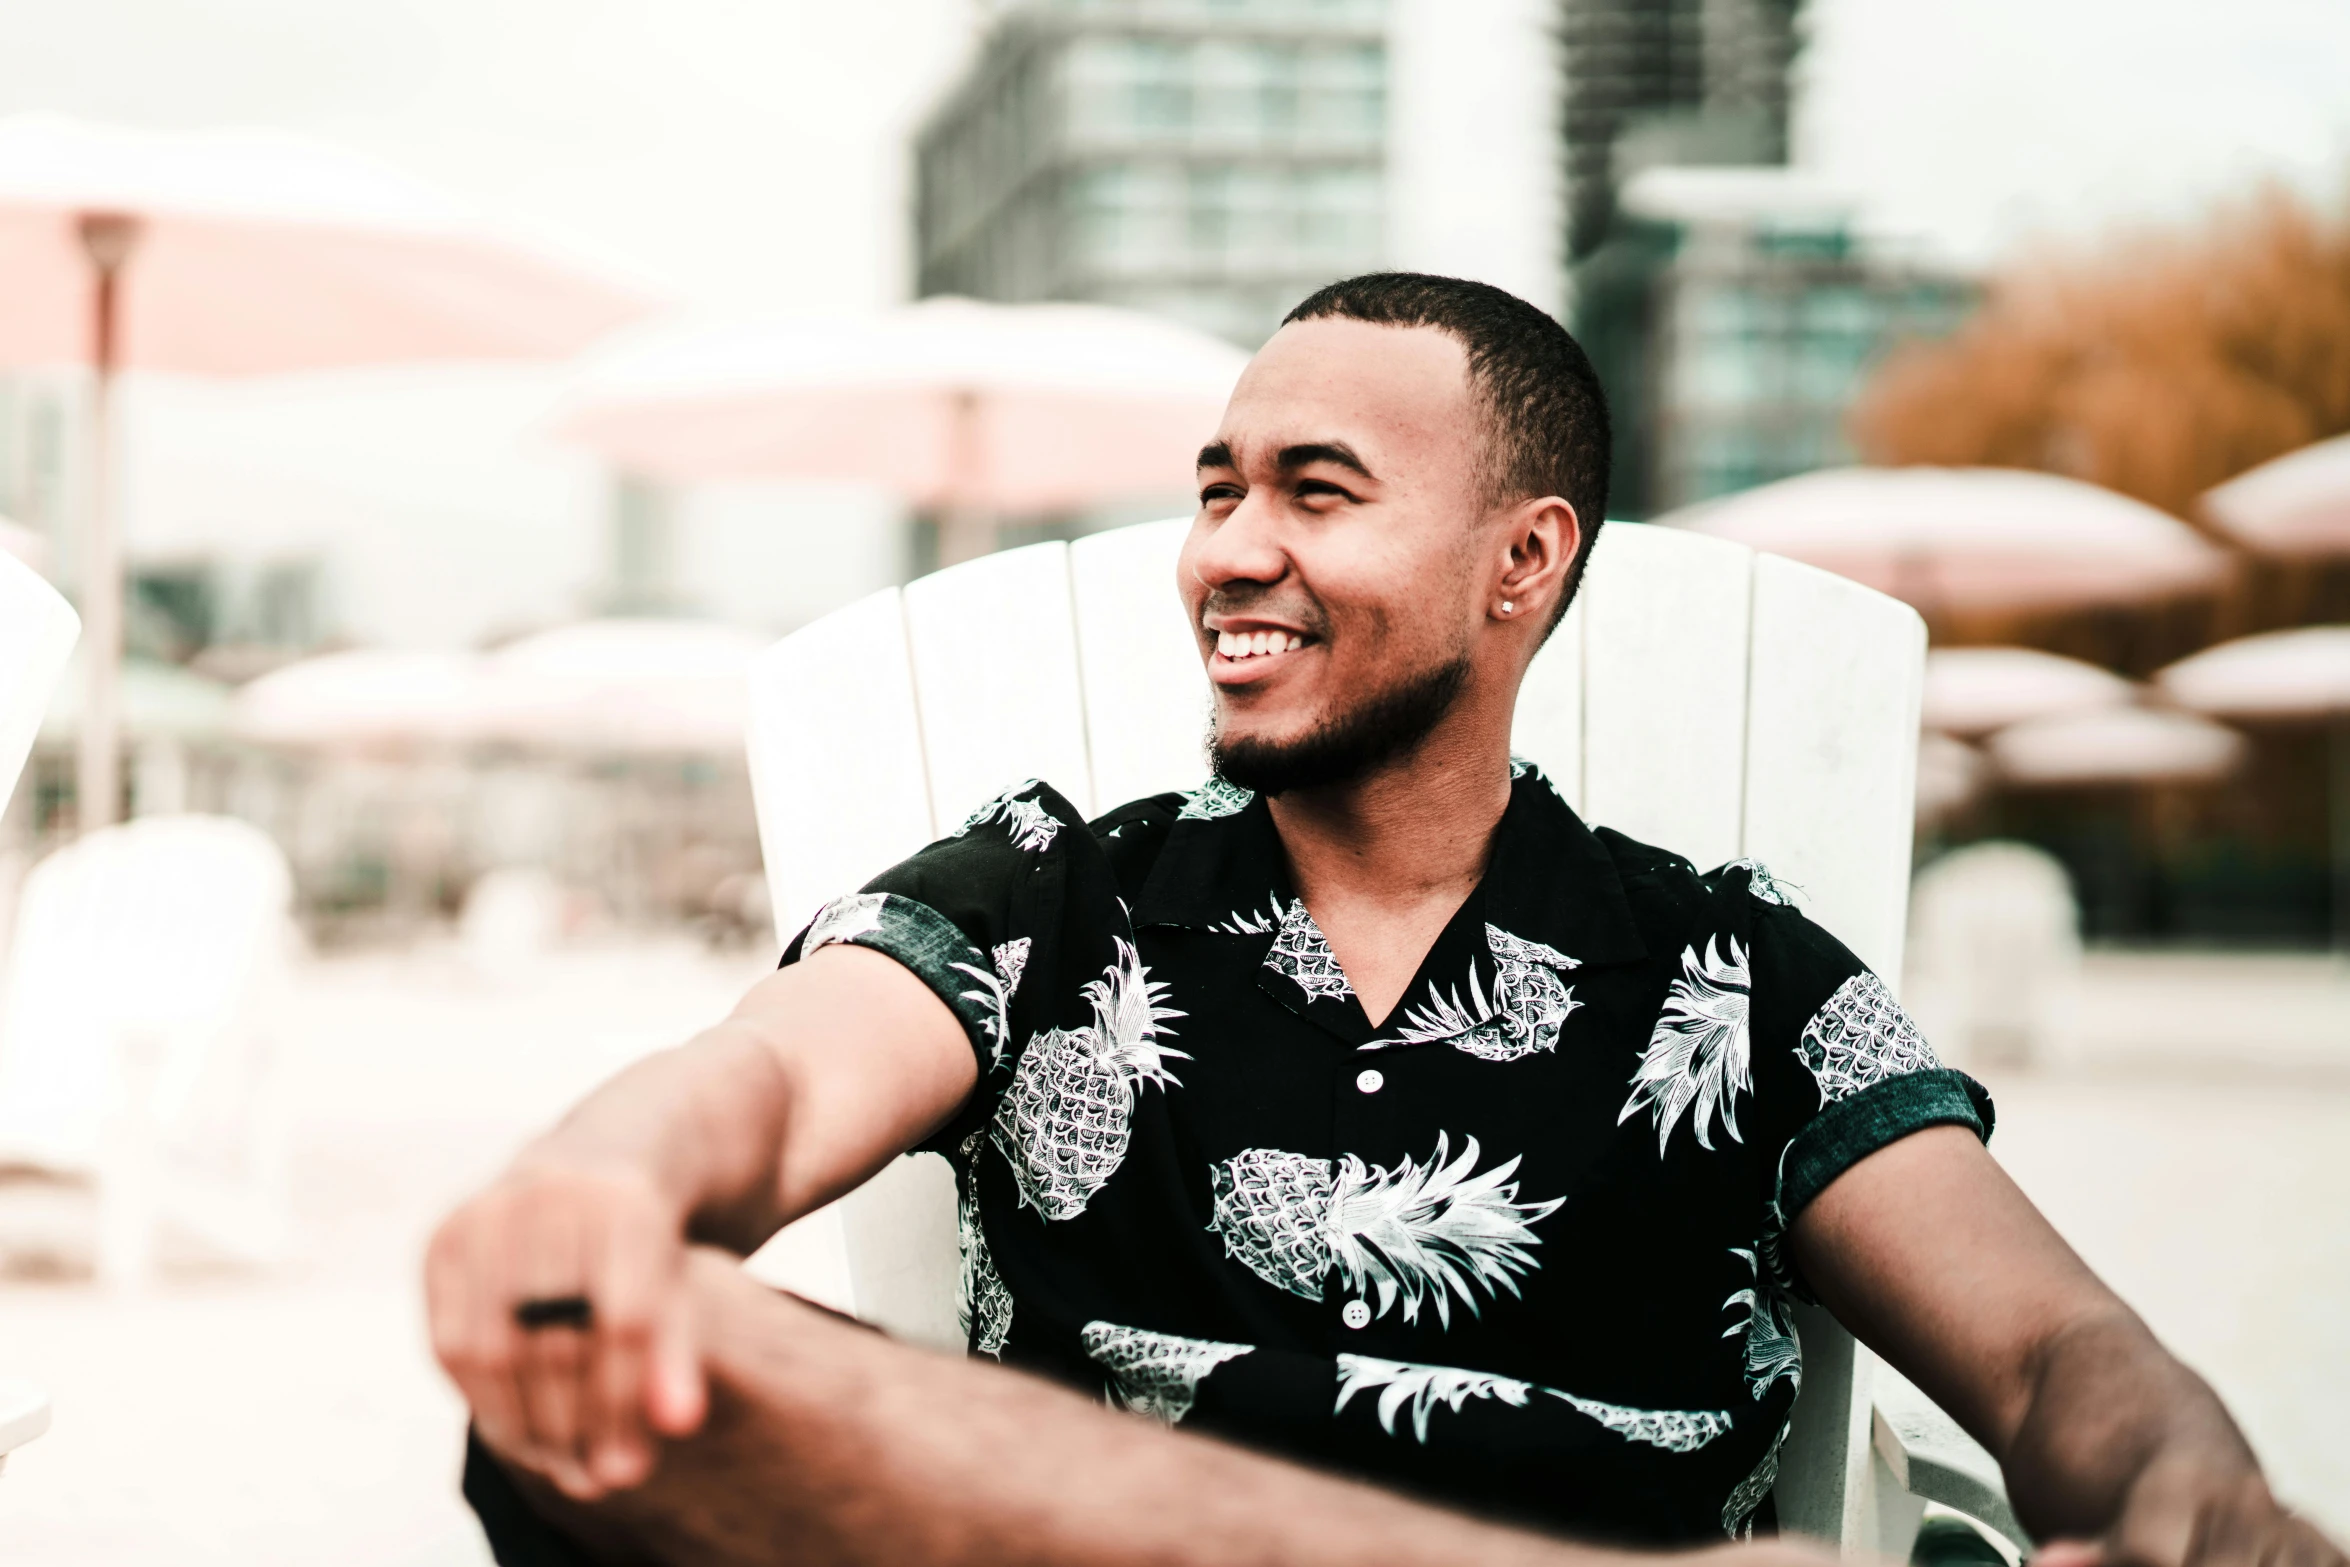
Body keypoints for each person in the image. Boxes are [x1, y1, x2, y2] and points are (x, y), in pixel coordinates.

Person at [429, 274, 2341, 1566]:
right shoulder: (1045, 895)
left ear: (1524, 560)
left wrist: (2189, 1481)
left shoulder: (1731, 977)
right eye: (1216, 491)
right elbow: (757, 1088)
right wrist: (598, 1188)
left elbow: (2043, 1354)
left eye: (1314, 494)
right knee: (596, 1373)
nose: (1229, 552)